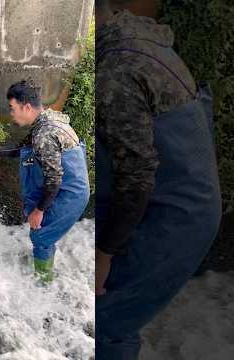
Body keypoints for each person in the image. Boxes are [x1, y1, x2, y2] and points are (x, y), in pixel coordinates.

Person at [95, 0, 221, 358]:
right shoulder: (136, 35)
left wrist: (105, 253)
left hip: (173, 217)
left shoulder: (115, 71)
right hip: (174, 198)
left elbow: (136, 177)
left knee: (105, 322)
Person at [0, 79, 90, 282]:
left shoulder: (44, 134)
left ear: (26, 107)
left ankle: (44, 284)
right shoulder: (47, 120)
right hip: (67, 189)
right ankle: (44, 264)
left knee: (40, 236)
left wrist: (39, 211)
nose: (11, 114)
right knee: (44, 236)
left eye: (12, 108)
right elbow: (23, 149)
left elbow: (54, 179)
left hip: (69, 194)